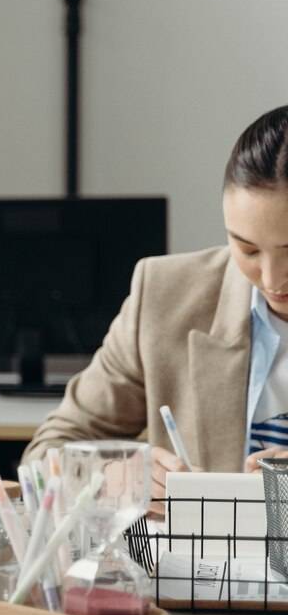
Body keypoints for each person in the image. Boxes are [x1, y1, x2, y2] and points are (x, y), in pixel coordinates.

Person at [24, 105, 288, 512]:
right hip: (203, 570)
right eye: (247, 249)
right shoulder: (166, 296)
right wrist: (113, 477)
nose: (272, 279)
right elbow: (48, 453)